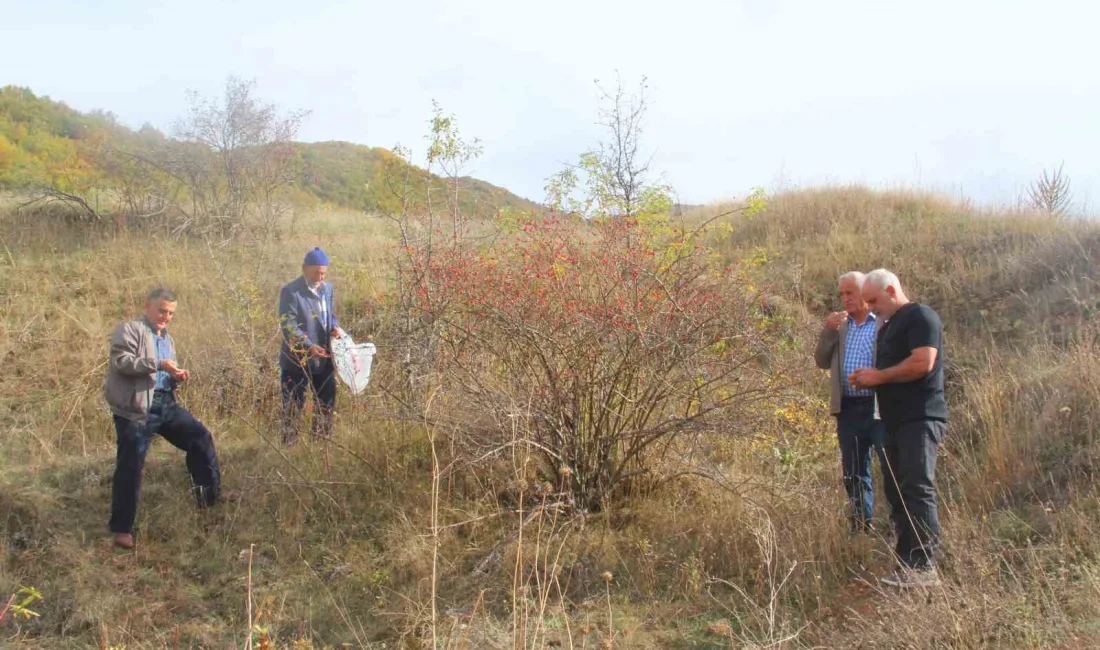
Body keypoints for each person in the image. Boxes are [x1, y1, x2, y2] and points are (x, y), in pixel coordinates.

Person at [104, 288, 233, 550]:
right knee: (131, 464)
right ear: (148, 306)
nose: (166, 316)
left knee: (200, 437)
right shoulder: (130, 329)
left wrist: (175, 378)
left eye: (171, 313)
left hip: (165, 404)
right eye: (161, 310)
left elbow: (161, 373)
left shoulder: (167, 338)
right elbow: (123, 362)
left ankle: (208, 499)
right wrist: (160, 364)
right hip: (136, 409)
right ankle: (121, 528)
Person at [849, 269, 947, 588]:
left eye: (874, 301)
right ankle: (907, 566)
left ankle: (924, 567)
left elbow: (923, 363)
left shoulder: (920, 316)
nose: (872, 307)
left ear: (891, 290)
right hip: (893, 422)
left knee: (918, 487)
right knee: (898, 492)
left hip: (920, 418)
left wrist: (879, 377)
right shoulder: (887, 327)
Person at [814, 271, 886, 533]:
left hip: (880, 408)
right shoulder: (840, 327)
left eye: (850, 293)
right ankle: (861, 528)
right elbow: (821, 361)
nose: (845, 299)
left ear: (865, 293)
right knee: (853, 472)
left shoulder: (882, 323)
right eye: (842, 294)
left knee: (890, 466)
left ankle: (902, 526)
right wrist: (828, 332)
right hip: (848, 409)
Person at [278, 247, 343, 444]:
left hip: (324, 357)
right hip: (297, 359)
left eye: (323, 272)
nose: (320, 277)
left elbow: (329, 315)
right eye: (316, 272)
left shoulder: (328, 289)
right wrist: (309, 346)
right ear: (304, 269)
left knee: (326, 401)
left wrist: (335, 327)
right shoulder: (291, 291)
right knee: (293, 404)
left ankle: (321, 444)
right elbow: (288, 324)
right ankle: (289, 446)